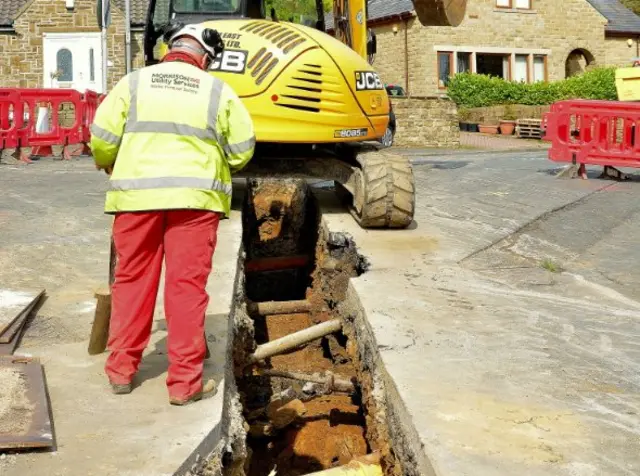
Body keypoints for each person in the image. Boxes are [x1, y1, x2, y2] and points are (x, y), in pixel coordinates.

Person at [89, 23, 255, 405]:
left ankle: (121, 371)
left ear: (169, 49)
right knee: (186, 288)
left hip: (136, 201)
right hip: (195, 203)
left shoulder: (132, 83)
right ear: (205, 58)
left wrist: (110, 162)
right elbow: (242, 147)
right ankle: (183, 385)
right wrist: (219, 162)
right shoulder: (217, 90)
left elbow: (102, 137)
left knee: (131, 281)